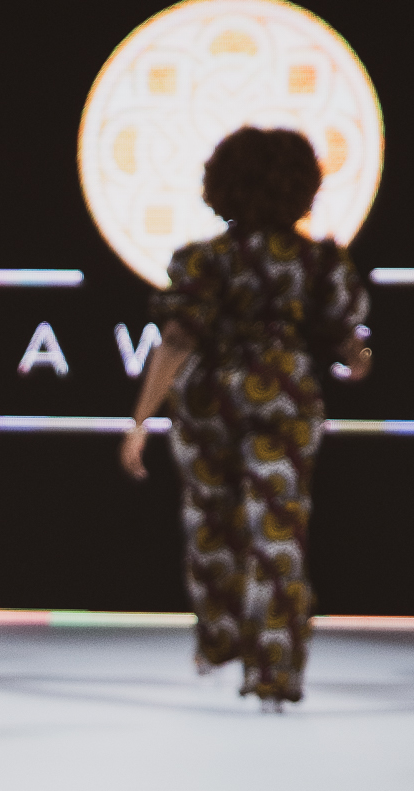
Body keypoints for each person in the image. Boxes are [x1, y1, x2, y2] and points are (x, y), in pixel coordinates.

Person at [121, 126, 372, 708]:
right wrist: (359, 360)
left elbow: (177, 340)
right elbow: (346, 340)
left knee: (211, 524)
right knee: (278, 529)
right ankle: (275, 671)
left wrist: (139, 422)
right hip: (284, 399)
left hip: (209, 403)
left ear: (223, 185)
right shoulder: (319, 263)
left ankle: (221, 641)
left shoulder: (205, 261)